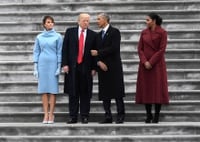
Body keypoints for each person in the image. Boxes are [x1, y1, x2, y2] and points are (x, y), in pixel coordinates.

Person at [62, 13, 96, 124]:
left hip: (86, 68)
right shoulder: (70, 32)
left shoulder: (93, 35)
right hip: (72, 67)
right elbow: (65, 49)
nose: (87, 23)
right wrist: (65, 64)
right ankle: (73, 116)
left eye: (88, 21)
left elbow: (95, 53)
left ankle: (85, 116)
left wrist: (94, 68)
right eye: (84, 20)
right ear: (78, 21)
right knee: (73, 93)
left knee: (85, 93)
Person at [91, 13, 125, 124]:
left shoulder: (115, 32)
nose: (97, 21)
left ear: (105, 20)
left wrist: (99, 52)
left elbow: (114, 48)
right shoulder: (98, 35)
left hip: (114, 67)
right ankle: (108, 116)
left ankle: (120, 115)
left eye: (99, 19)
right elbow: (93, 52)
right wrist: (98, 62)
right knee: (105, 93)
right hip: (102, 68)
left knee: (117, 92)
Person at [135, 13, 169, 123]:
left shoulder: (162, 32)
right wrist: (145, 61)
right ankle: (148, 115)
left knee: (157, 89)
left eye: (148, 20)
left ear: (154, 21)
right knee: (146, 89)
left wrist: (151, 61)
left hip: (157, 65)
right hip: (144, 65)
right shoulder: (144, 32)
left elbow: (162, 50)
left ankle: (156, 116)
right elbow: (140, 49)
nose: (146, 22)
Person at [33, 15, 63, 124]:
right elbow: (36, 51)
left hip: (53, 63)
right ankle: (45, 114)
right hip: (42, 64)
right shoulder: (39, 37)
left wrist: (59, 66)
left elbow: (60, 52)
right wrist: (35, 67)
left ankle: (51, 114)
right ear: (44, 24)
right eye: (48, 22)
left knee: (53, 90)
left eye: (52, 22)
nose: (50, 24)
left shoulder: (58, 36)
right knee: (44, 90)